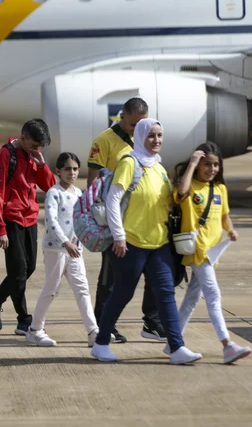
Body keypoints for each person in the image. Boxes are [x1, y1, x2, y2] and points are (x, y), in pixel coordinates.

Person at [91, 118, 202, 364]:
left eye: (160, 136)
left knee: (165, 294)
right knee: (122, 294)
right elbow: (112, 200)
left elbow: (166, 201)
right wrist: (118, 236)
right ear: (141, 137)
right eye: (151, 136)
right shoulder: (130, 162)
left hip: (158, 243)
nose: (156, 141)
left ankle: (176, 348)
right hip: (130, 243)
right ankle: (101, 344)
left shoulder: (159, 168)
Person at [87, 97, 163, 343]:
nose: (139, 129)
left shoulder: (147, 141)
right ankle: (102, 325)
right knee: (111, 278)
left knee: (154, 275)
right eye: (133, 125)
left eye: (143, 123)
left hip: (143, 222)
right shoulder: (104, 141)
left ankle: (151, 322)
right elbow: (93, 184)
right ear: (122, 116)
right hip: (117, 221)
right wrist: (102, 220)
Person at [171, 143, 252, 363]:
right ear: (197, 166)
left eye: (216, 164)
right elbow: (181, 191)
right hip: (199, 251)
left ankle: (173, 341)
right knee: (214, 296)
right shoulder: (191, 188)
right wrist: (193, 163)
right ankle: (227, 345)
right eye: (207, 164)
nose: (212, 169)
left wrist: (231, 230)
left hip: (214, 252)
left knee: (192, 298)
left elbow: (225, 216)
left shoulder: (220, 189)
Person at [0, 119, 55, 336]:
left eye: (39, 146)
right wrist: (0, 229)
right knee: (18, 270)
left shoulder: (33, 155)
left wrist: (41, 165)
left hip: (30, 217)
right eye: (34, 145)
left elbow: (50, 187)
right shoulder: (6, 155)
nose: (36, 149)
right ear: (23, 138)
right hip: (11, 218)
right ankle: (24, 319)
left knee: (28, 268)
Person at [26, 152, 98, 347]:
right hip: (56, 249)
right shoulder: (54, 193)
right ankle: (34, 329)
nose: (72, 173)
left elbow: (82, 220)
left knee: (82, 289)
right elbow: (51, 221)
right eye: (67, 169)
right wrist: (66, 242)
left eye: (75, 169)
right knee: (51, 290)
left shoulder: (79, 194)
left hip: (75, 250)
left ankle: (93, 331)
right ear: (58, 171)